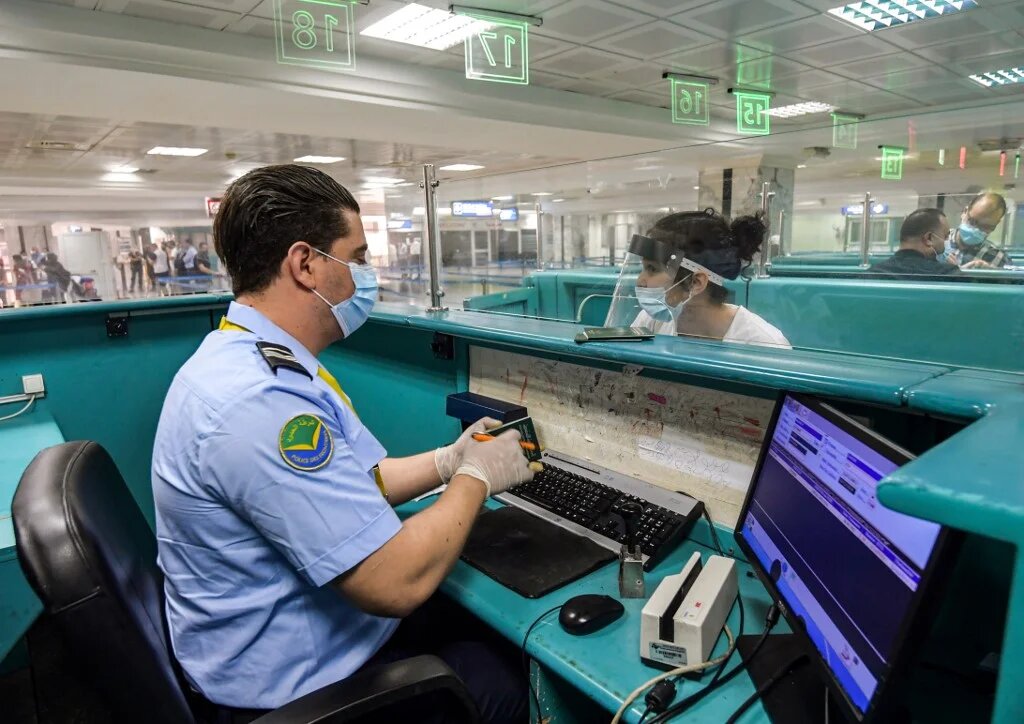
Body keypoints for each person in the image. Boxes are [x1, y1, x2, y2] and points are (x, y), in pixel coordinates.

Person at [152, 164, 532, 723]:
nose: (367, 274)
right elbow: (395, 583)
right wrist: (476, 478)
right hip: (295, 690)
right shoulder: (258, 402)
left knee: (476, 624)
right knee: (509, 680)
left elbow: (362, 482)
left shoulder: (252, 358)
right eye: (356, 258)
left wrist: (448, 461)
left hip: (286, 642)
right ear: (305, 264)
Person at [624, 209, 791, 348]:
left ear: (696, 282)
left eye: (652, 269)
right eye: (643, 268)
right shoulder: (650, 321)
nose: (640, 280)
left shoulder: (764, 344)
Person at [869, 208, 958, 278]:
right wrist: (955, 271)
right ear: (929, 238)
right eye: (946, 236)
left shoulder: (870, 275)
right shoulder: (948, 276)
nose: (947, 241)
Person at [940, 191, 1009, 268]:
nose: (976, 230)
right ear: (965, 212)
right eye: (972, 222)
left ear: (996, 224)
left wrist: (990, 278)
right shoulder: (935, 242)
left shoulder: (998, 259)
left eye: (985, 227)